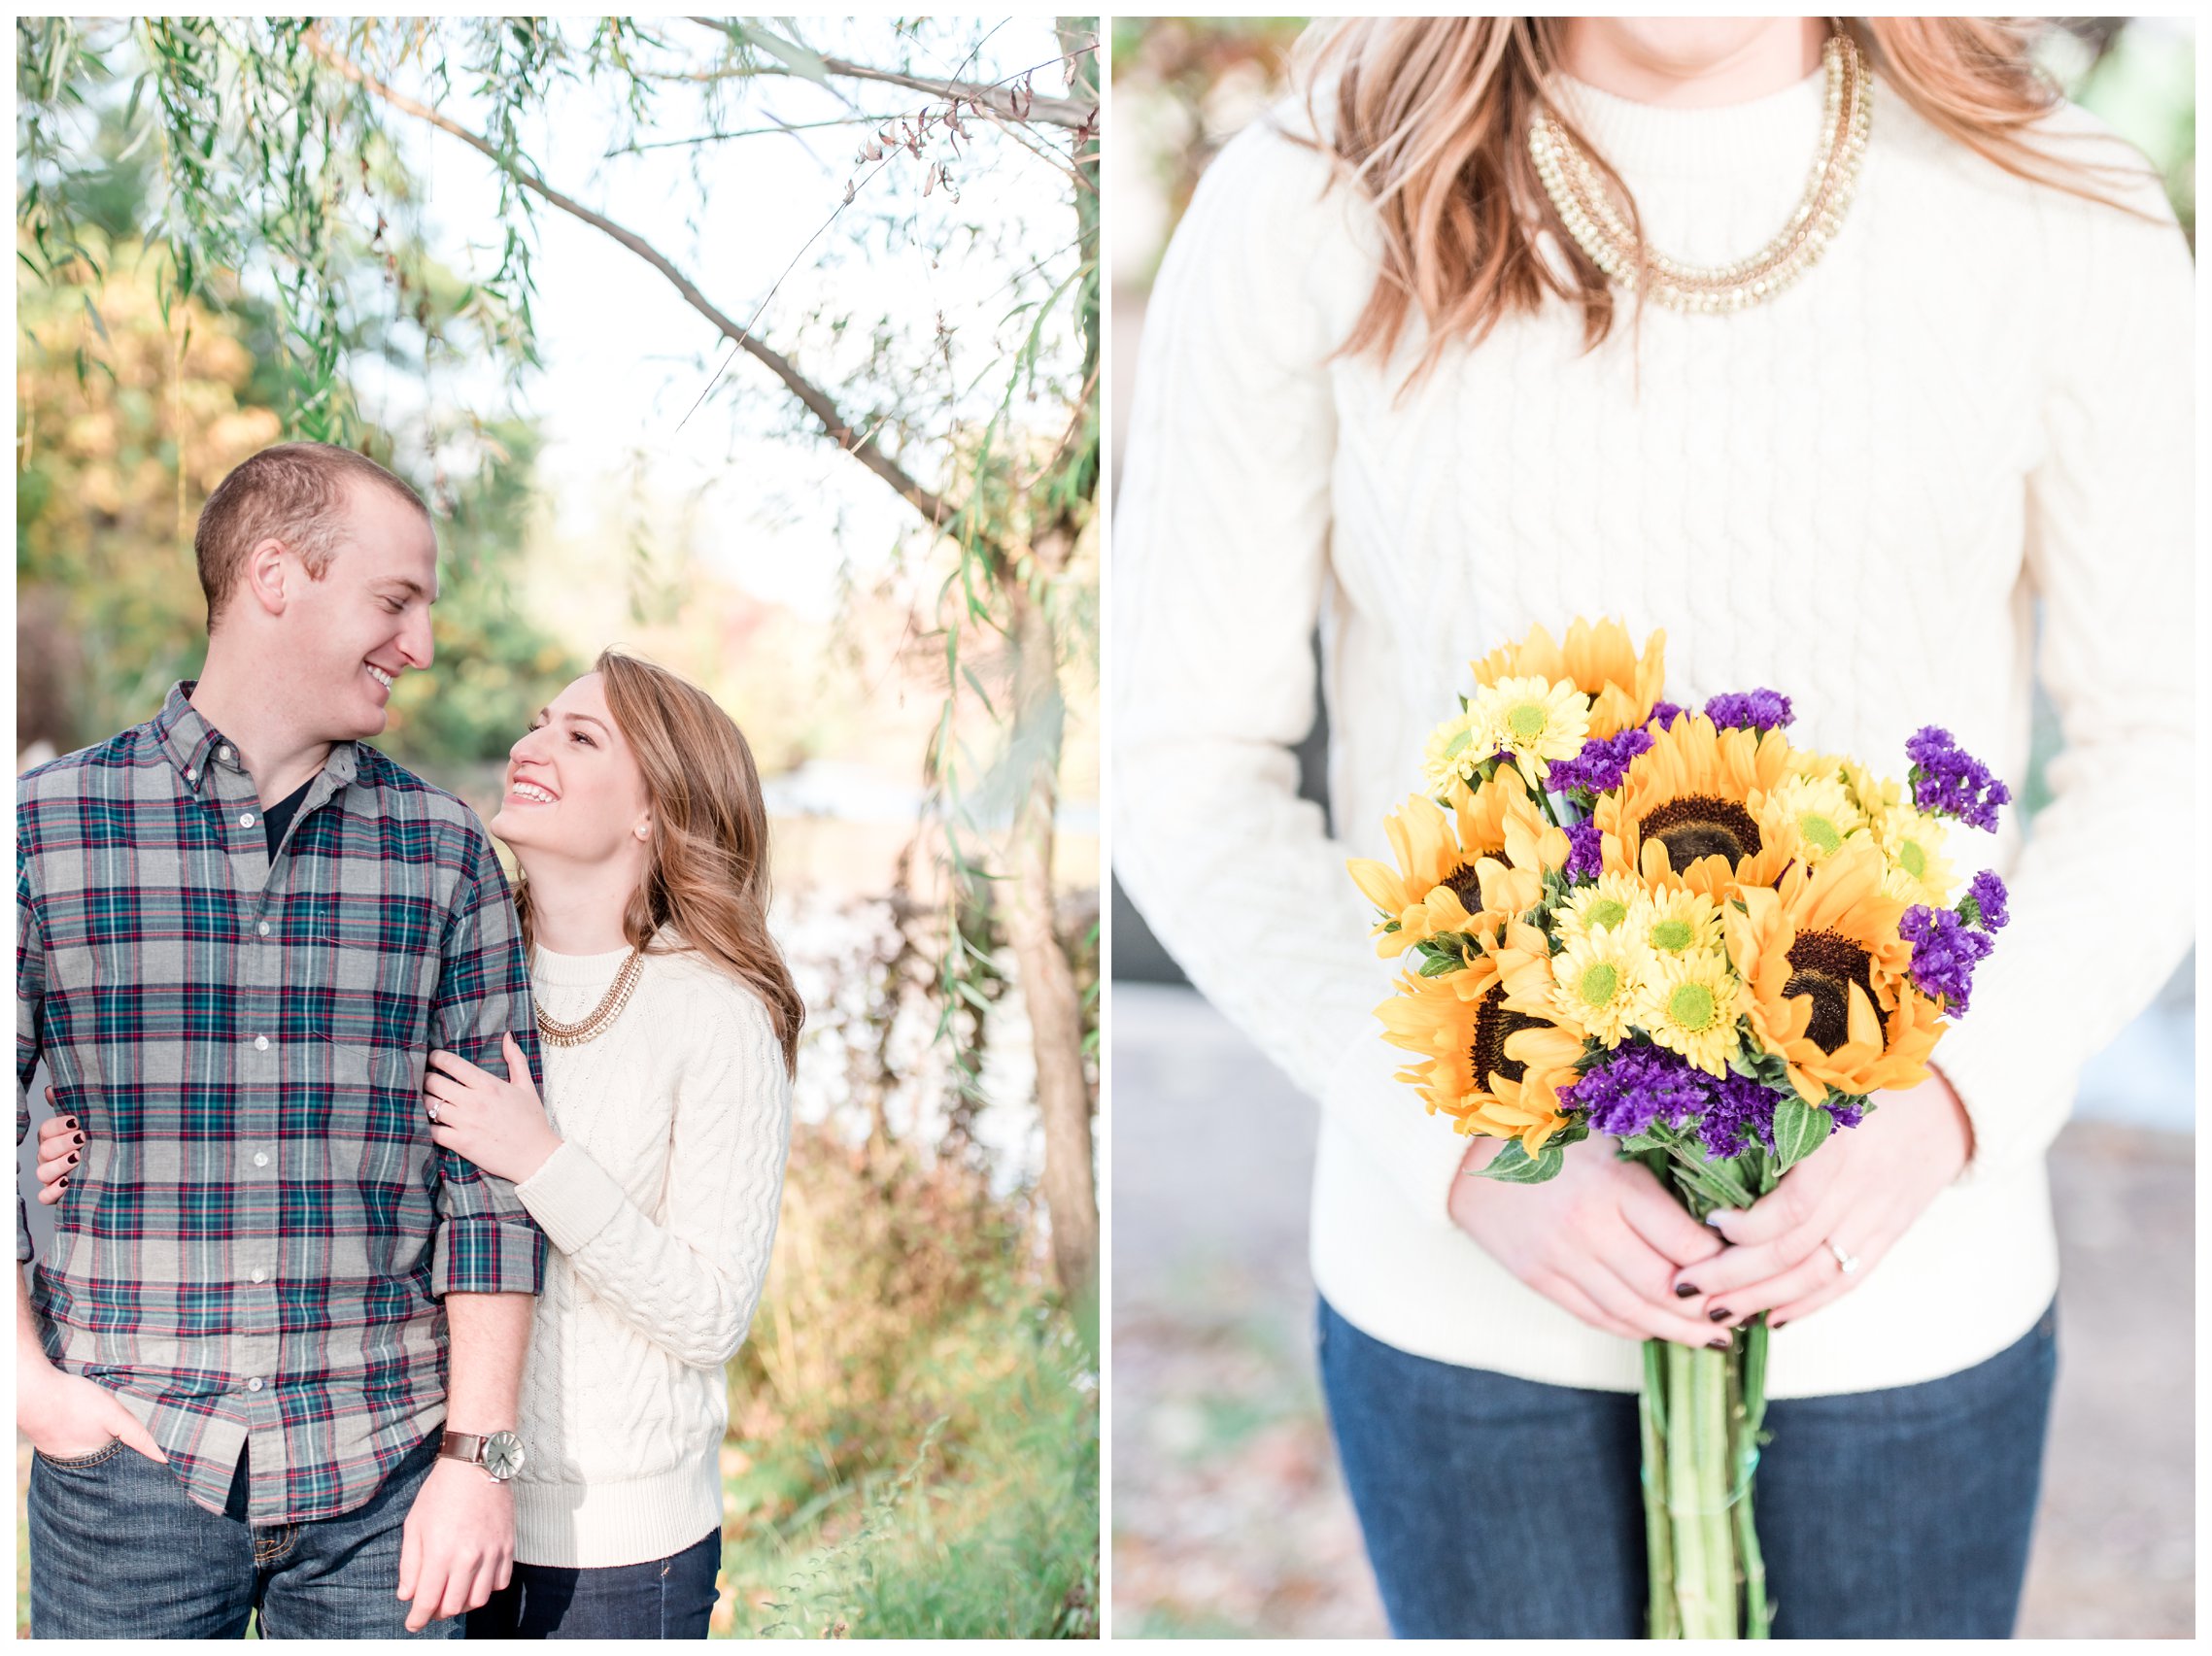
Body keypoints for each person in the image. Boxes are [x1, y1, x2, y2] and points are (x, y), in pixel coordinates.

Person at [1112, 16, 2191, 1640]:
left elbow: (2167, 745)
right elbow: (1182, 759)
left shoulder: (2054, 201)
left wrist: (1946, 1109)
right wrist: (1468, 1149)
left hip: (1906, 1318)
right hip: (1468, 1324)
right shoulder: (1311, 198)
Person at [39, 651, 802, 1640]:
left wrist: (541, 1160)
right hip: (410, 1503)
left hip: (608, 1544)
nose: (531, 746)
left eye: (581, 737)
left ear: (654, 809)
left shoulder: (716, 1011)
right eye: (540, 721)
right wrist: (65, 1145)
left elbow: (711, 1315)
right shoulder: (459, 942)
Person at [16, 442, 547, 1639]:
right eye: (395, 601)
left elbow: (492, 1188)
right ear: (275, 575)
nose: (419, 643)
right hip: (126, 1468)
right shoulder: (44, 835)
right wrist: (24, 1380)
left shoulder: (447, 853)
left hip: (391, 1478)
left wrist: (481, 1454)